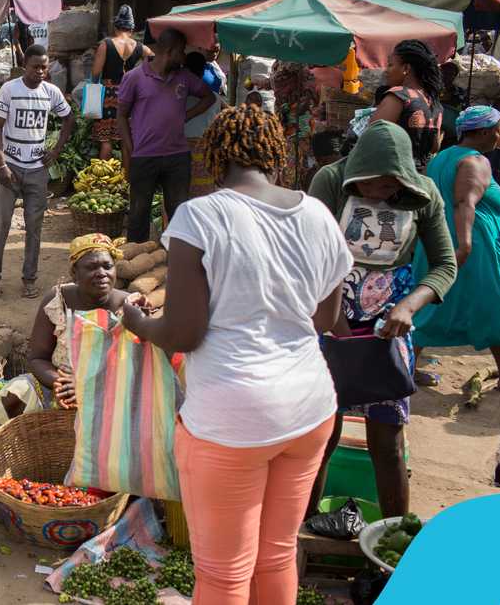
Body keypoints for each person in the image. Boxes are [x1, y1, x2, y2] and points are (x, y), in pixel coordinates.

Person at [122, 106, 353, 605]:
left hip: (233, 419)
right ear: (274, 153)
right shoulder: (317, 213)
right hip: (310, 407)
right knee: (276, 554)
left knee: (224, 575)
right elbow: (323, 318)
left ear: (215, 154)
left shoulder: (199, 216)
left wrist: (137, 321)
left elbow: (183, 332)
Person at [308, 120, 457, 518]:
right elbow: (311, 256)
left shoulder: (424, 195)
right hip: (329, 319)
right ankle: (300, 533)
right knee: (321, 435)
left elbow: (444, 265)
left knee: (386, 441)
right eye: (370, 185)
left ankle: (392, 542)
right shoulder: (329, 180)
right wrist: (333, 321)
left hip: (387, 329)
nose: (378, 194)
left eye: (389, 187)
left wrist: (408, 307)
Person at [412, 106, 500, 391]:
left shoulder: (441, 158)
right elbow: (465, 203)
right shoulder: (474, 161)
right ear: (484, 132)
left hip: (437, 241)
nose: (499, 135)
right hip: (474, 247)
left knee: (430, 307)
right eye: (497, 129)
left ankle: (405, 368)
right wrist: (463, 247)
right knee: (497, 305)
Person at [3, 234, 131, 420]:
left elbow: (138, 368)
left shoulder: (128, 306)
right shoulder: (58, 300)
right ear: (74, 273)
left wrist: (88, 388)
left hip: (112, 390)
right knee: (14, 394)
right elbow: (37, 358)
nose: (102, 273)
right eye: (91, 267)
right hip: (61, 387)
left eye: (107, 266)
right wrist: (63, 384)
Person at [0, 45, 73, 300]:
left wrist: (55, 151)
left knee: (34, 229)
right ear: (25, 66)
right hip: (10, 168)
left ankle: (29, 279)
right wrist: (1, 164)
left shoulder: (51, 92)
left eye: (44, 67)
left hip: (37, 171)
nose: (40, 72)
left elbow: (69, 118)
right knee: (1, 225)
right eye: (35, 67)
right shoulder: (9, 89)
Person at [117, 28, 214, 242]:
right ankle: (135, 258)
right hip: (144, 156)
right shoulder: (135, 78)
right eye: (182, 52)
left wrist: (186, 116)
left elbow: (209, 97)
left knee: (179, 213)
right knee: (138, 213)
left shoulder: (184, 77)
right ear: (170, 51)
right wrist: (131, 149)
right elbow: (121, 116)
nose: (184, 57)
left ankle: (176, 261)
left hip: (177, 156)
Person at [371, 39, 445, 171]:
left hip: (391, 175)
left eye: (390, 65)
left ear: (406, 68)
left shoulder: (399, 95)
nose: (386, 71)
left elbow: (371, 136)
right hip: (419, 178)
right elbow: (434, 147)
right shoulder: (435, 104)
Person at [89, 5, 149, 161]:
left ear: (116, 26)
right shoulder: (139, 46)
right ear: (131, 28)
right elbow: (154, 59)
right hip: (129, 94)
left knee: (106, 141)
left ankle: (103, 180)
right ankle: (126, 179)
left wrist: (93, 94)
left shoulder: (106, 44)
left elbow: (95, 73)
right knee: (125, 140)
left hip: (108, 95)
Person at [184, 52, 225, 198]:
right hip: (205, 151)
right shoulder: (215, 97)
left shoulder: (178, 95)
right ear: (203, 71)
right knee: (204, 196)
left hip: (181, 150)